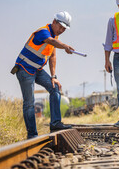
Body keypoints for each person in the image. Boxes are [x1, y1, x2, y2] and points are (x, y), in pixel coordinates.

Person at [12, 11, 74, 139]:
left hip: (37, 70)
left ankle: (56, 123)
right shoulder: (43, 32)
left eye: (64, 28)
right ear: (54, 22)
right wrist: (65, 46)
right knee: (29, 103)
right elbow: (51, 41)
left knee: (55, 88)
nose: (62, 30)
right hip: (24, 69)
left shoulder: (55, 36)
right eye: (60, 27)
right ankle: (32, 135)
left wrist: (53, 77)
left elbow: (52, 56)